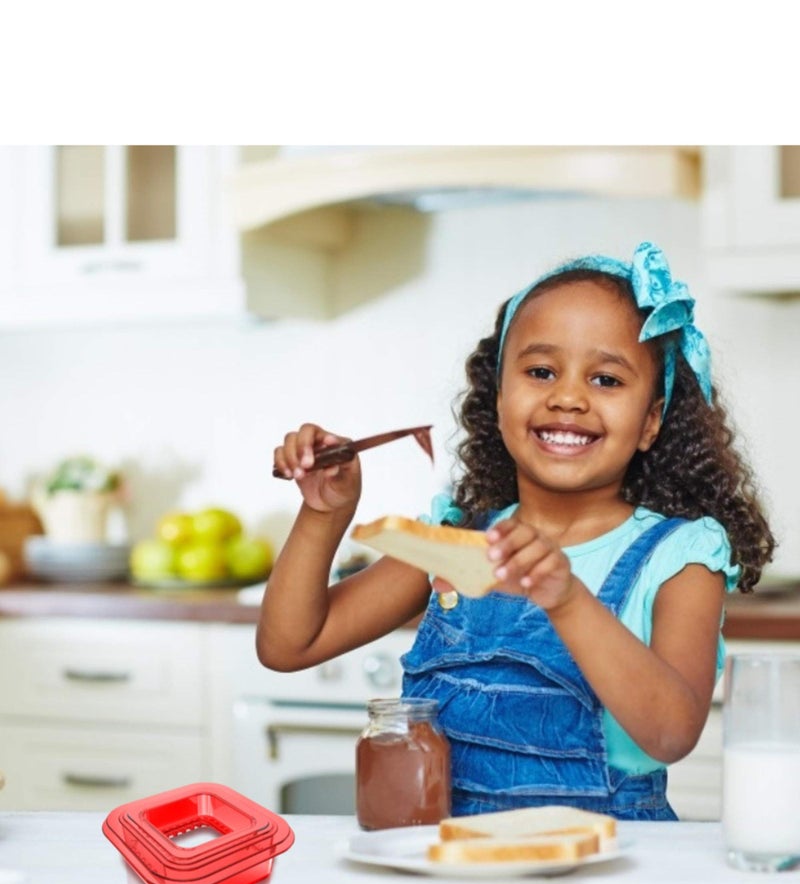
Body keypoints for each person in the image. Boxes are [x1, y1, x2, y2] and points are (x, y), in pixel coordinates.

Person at [259, 241, 775, 820]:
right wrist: (325, 514)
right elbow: (289, 645)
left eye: (606, 379)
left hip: (604, 877)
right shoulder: (454, 539)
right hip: (450, 868)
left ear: (651, 420)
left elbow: (671, 733)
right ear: (499, 396)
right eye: (540, 371)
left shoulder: (680, 556)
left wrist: (567, 598)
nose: (568, 397)